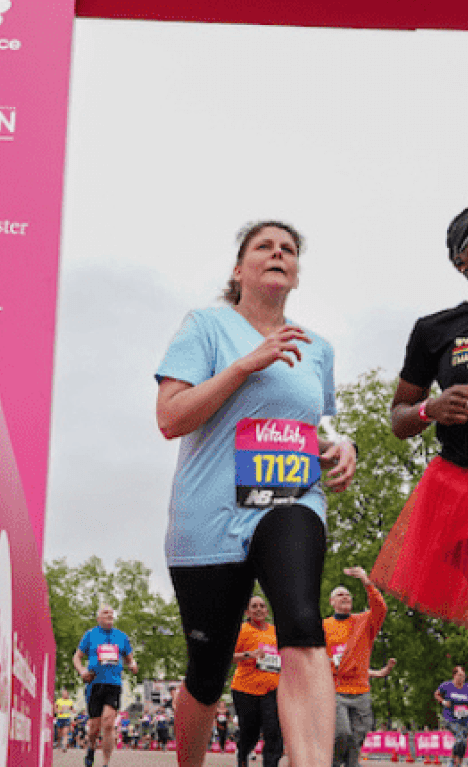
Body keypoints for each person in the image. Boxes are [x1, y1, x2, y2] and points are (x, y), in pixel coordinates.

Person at [156, 220, 357, 767]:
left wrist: (341, 447)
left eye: (288, 249)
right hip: (210, 516)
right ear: (238, 270)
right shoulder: (207, 327)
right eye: (263, 247)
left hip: (289, 499)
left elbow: (312, 425)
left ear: (295, 273)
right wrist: (246, 364)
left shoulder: (317, 348)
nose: (278, 254)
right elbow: (171, 418)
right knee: (206, 672)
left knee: (300, 621)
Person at [371, 208, 468, 625]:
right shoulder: (435, 330)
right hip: (458, 488)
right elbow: (398, 419)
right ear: (461, 261)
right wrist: (432, 408)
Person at [324, 567, 387, 767]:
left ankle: (350, 764)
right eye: (340, 595)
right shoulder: (323, 626)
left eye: (348, 595)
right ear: (331, 602)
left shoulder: (365, 621)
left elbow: (381, 608)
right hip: (336, 689)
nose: (345, 597)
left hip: (361, 690)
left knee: (358, 736)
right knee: (342, 733)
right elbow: (317, 655)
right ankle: (334, 762)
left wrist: (366, 582)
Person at [73, 604, 138, 767]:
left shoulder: (121, 637)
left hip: (113, 684)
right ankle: (91, 748)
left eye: (111, 612)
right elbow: (77, 658)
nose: (109, 614)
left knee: (108, 723)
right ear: (98, 618)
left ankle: (105, 763)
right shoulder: (90, 635)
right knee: (94, 727)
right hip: (94, 684)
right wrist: (82, 671)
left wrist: (133, 665)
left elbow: (130, 658)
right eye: (105, 612)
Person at [231, 596, 283, 767]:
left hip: (271, 690)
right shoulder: (241, 630)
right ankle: (242, 756)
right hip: (245, 690)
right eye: (254, 606)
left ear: (267, 612)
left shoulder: (275, 631)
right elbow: (227, 656)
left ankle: (271, 763)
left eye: (262, 606)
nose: (259, 609)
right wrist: (249, 654)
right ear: (247, 612)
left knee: (274, 731)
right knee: (250, 732)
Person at [436, 666, 468, 767]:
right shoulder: (446, 685)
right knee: (460, 737)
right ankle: (452, 762)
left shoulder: (467, 688)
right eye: (459, 675)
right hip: (450, 718)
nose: (461, 678)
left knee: (463, 742)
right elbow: (436, 694)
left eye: (463, 676)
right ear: (454, 675)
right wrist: (444, 702)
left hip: (464, 719)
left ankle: (458, 763)